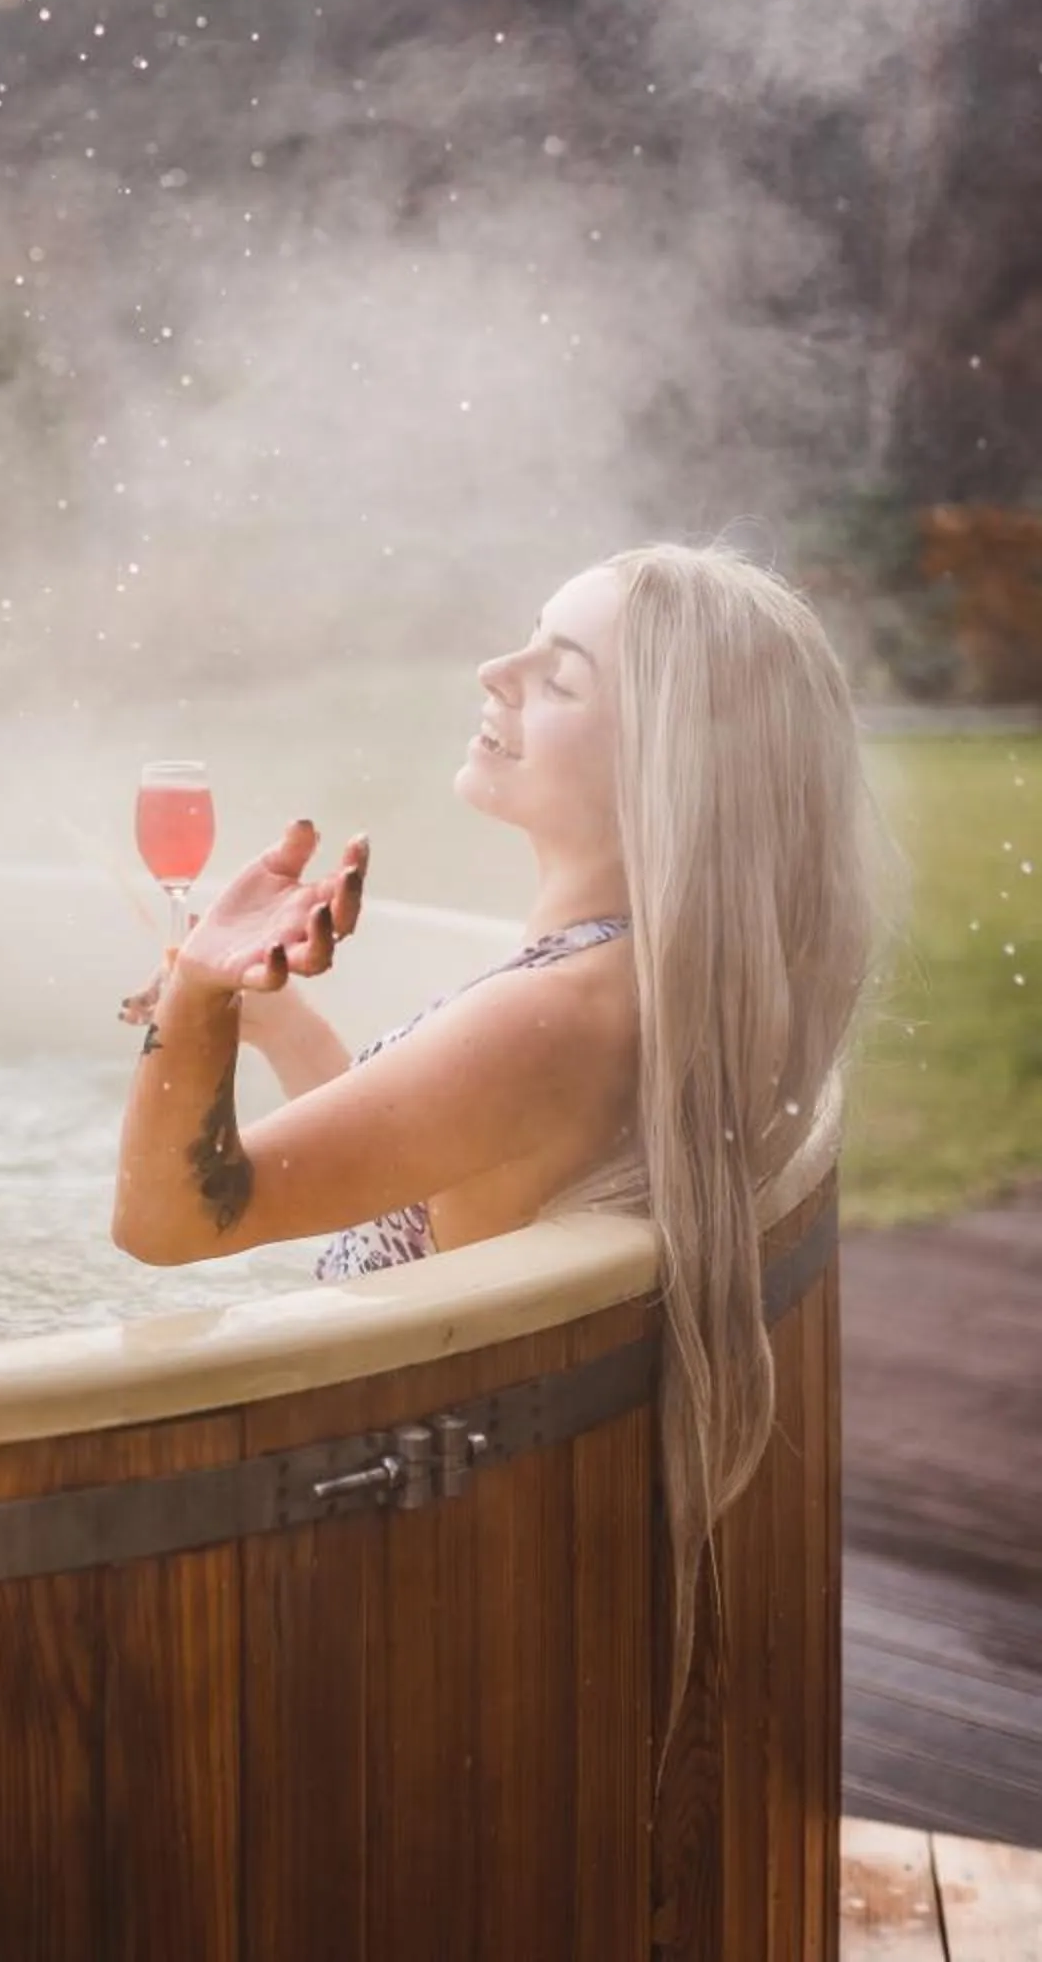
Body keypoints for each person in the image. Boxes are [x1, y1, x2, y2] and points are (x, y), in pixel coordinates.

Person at [111, 538, 885, 1786]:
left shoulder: (556, 1017)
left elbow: (170, 1224)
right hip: (454, 1509)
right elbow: (449, 1190)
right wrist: (279, 1023)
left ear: (666, 768)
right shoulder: (635, 979)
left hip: (367, 1559)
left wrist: (196, 997)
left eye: (561, 674)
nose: (498, 668)